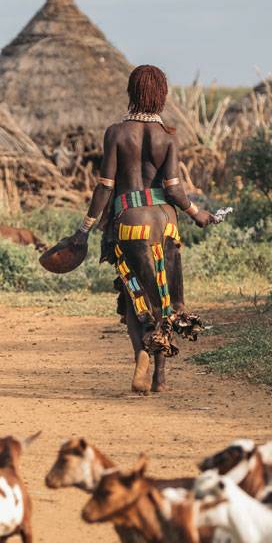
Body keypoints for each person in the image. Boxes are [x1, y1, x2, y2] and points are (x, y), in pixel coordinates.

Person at [69, 64, 216, 394]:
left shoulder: (117, 133)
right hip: (165, 224)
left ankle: (141, 355)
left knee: (134, 292)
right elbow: (176, 190)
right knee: (164, 297)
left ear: (132, 93)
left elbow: (105, 186)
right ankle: (160, 378)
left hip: (129, 222)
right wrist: (197, 213)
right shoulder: (167, 135)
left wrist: (85, 228)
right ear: (161, 95)